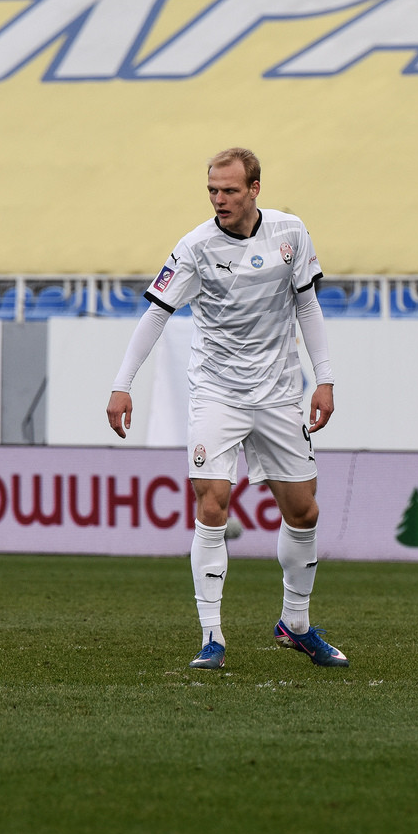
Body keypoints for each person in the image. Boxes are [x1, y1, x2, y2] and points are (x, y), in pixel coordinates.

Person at [106, 148, 345, 670]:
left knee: (304, 511)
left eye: (230, 191)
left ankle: (295, 624)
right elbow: (156, 314)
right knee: (212, 503)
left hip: (279, 393)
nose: (219, 199)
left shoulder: (290, 233)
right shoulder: (195, 247)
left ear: (255, 189)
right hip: (217, 393)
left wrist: (324, 380)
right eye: (213, 190)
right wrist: (122, 385)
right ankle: (212, 637)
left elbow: (307, 304)